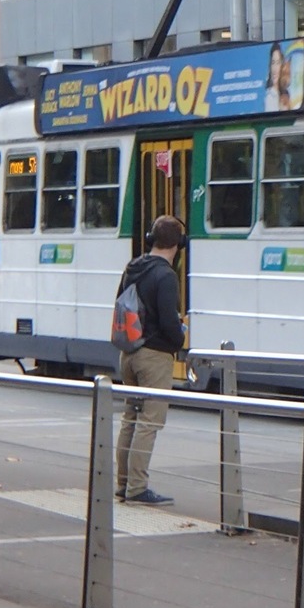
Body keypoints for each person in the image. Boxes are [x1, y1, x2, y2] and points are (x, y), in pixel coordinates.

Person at [115, 216, 187, 506]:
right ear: (179, 244)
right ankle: (137, 488)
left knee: (130, 418)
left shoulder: (133, 267)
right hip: (154, 357)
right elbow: (169, 322)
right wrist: (180, 338)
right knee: (149, 423)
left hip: (129, 352)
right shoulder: (166, 276)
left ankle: (123, 484)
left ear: (150, 238)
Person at [264, 42, 284, 112]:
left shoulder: (286, 94)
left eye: (278, 63)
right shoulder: (270, 97)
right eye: (273, 63)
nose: (275, 69)